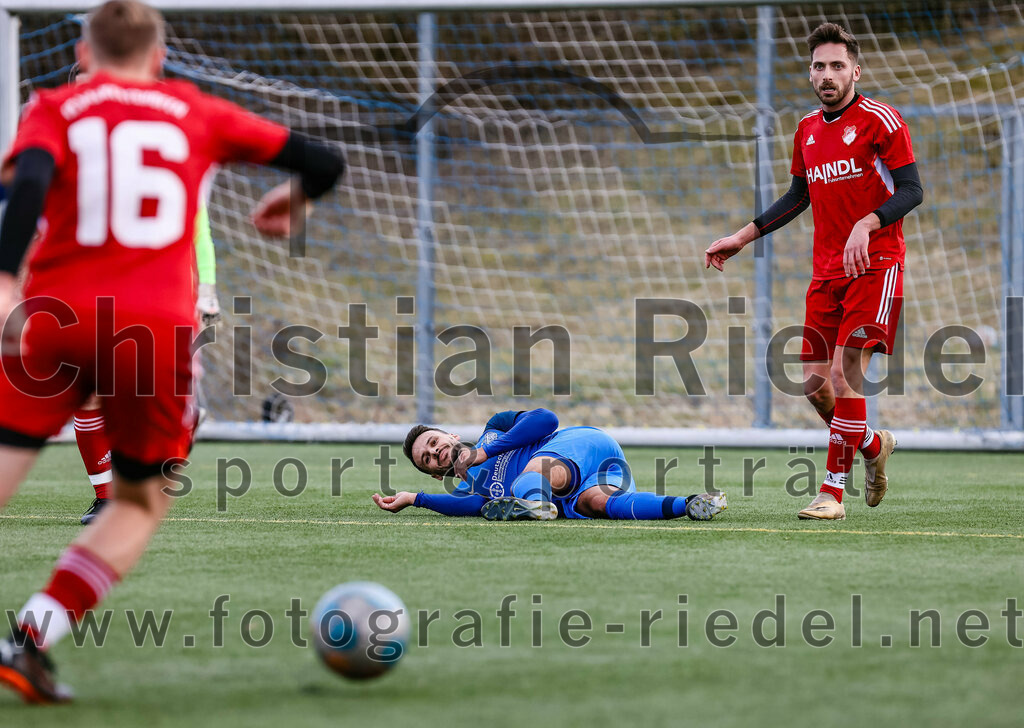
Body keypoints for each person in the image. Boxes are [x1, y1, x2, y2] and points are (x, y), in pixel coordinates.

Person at [0, 1, 344, 703]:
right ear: (159, 57)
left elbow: (27, 186)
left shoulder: (56, 107)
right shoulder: (195, 112)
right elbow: (324, 160)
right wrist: (293, 200)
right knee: (138, 502)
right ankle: (32, 635)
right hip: (152, 333)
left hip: (56, 319)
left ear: (85, 51)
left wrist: (5, 281)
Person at [704, 23, 923, 520]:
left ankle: (832, 493)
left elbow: (912, 189)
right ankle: (871, 445)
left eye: (838, 66)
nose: (828, 75)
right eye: (820, 66)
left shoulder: (881, 120)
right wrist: (743, 235)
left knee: (847, 378)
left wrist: (868, 223)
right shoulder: (806, 129)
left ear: (856, 71)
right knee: (814, 386)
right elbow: (799, 196)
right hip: (826, 273)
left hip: (876, 266)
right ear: (810, 73)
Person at [77, 202, 220, 525]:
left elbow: (201, 233)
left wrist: (207, 289)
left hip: (165, 293)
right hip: (101, 288)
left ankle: (179, 418)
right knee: (88, 393)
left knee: (147, 392)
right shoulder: (92, 167)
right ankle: (105, 499)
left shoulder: (174, 165)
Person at [374, 408, 728, 522]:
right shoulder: (472, 490)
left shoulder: (494, 429)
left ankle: (534, 504)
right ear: (437, 473)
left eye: (434, 443)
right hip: (597, 477)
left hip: (583, 446)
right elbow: (471, 505)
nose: (435, 452)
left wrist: (486, 451)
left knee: (533, 472)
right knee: (598, 504)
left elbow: (547, 419)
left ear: (450, 434)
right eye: (428, 459)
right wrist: (414, 498)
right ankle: (692, 504)